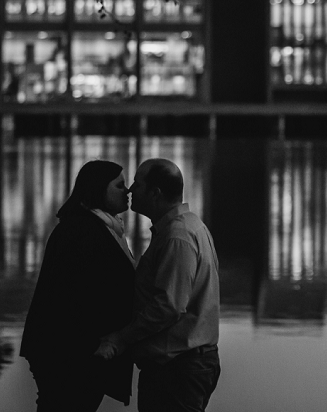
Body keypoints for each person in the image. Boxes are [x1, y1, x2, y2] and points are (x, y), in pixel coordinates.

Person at [95, 158, 221, 411]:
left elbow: (168, 306)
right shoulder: (191, 226)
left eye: (137, 184)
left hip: (177, 369)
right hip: (184, 365)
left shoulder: (177, 237)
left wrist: (120, 339)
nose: (130, 190)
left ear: (155, 193)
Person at [20, 160, 136, 410]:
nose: (127, 191)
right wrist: (96, 345)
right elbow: (69, 298)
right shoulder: (81, 231)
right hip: (68, 354)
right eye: (119, 185)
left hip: (72, 350)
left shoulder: (97, 227)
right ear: (98, 189)